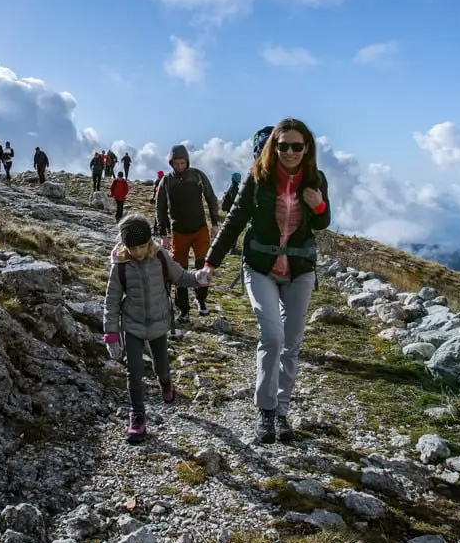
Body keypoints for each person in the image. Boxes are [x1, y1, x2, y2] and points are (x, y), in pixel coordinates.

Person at [197, 118, 330, 445]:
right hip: (260, 265)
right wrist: (209, 263)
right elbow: (234, 221)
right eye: (282, 145)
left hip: (299, 267)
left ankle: (282, 411)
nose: (289, 152)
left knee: (293, 339)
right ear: (273, 146)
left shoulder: (316, 178)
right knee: (272, 337)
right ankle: (266, 411)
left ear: (307, 148)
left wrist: (320, 206)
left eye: (296, 146)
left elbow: (323, 222)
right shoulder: (258, 179)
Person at [102, 214, 210, 444]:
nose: (138, 252)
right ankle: (137, 417)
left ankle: (165, 381)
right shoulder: (119, 265)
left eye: (142, 247)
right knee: (134, 371)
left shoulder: (160, 256)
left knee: (161, 367)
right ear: (124, 245)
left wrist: (198, 279)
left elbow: (180, 276)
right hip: (132, 325)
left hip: (159, 323)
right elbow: (111, 301)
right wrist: (111, 334)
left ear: (149, 242)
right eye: (133, 248)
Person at [155, 144, 221, 321]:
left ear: (187, 161)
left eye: (182, 163)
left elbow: (211, 198)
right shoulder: (166, 181)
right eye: (176, 163)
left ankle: (201, 300)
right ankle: (182, 309)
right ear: (171, 163)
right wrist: (163, 234)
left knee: (204, 266)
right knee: (178, 271)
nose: (180, 166)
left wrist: (215, 223)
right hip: (178, 232)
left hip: (200, 229)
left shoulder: (197, 176)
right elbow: (160, 208)